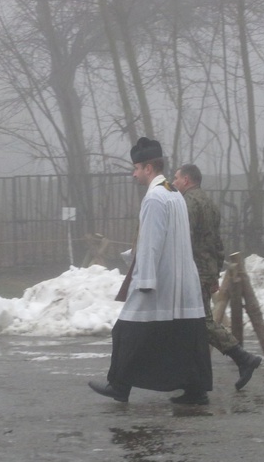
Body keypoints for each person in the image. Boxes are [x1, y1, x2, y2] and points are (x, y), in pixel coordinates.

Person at [89, 137, 213, 405]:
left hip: (158, 281)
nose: (134, 174)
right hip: (181, 282)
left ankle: (119, 386)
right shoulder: (173, 193)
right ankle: (196, 389)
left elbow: (151, 243)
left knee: (125, 331)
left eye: (136, 168)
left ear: (148, 167)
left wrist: (143, 280)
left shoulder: (155, 198)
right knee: (183, 336)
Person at [172, 164, 262, 390]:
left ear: (186, 180)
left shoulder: (188, 203)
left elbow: (186, 239)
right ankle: (191, 378)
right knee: (193, 323)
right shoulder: (210, 204)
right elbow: (216, 243)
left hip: (193, 270)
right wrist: (214, 272)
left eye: (176, 178)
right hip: (205, 268)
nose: (173, 182)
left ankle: (243, 358)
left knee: (202, 322)